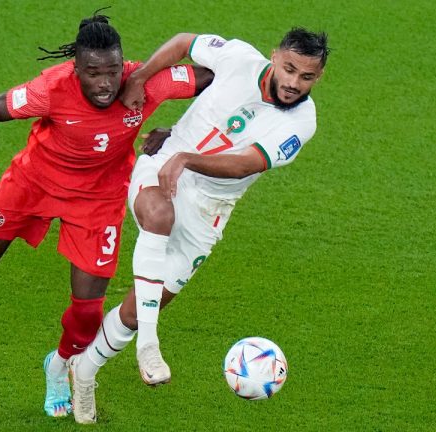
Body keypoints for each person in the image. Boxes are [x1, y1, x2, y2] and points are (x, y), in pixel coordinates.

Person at [0, 11, 213, 420]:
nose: (105, 83)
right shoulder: (51, 89)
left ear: (123, 65)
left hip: (98, 199)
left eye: (113, 71)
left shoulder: (145, 82)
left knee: (87, 315)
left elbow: (217, 78)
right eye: (93, 73)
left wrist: (175, 131)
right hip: (34, 183)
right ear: (75, 69)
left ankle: (58, 366)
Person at [69, 28, 330, 423]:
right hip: (162, 165)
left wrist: (188, 159)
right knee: (159, 216)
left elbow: (245, 164)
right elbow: (182, 42)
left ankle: (84, 370)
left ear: (319, 76)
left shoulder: (302, 122)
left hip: (209, 209)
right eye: (290, 69)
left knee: (139, 309)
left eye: (306, 77)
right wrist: (140, 77)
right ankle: (149, 344)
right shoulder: (238, 57)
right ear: (274, 57)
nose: (294, 83)